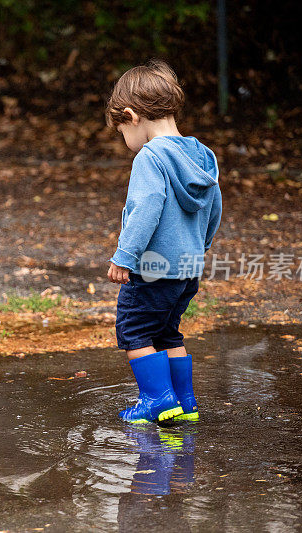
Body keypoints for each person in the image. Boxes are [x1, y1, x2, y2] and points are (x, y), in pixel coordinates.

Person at [105, 59, 222, 423]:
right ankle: (184, 404)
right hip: (188, 268)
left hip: (153, 266)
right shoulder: (201, 155)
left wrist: (125, 256)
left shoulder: (150, 157)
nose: (126, 142)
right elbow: (214, 207)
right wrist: (198, 248)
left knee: (135, 330)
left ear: (131, 115)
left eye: (122, 131)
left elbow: (145, 209)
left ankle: (157, 401)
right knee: (168, 332)